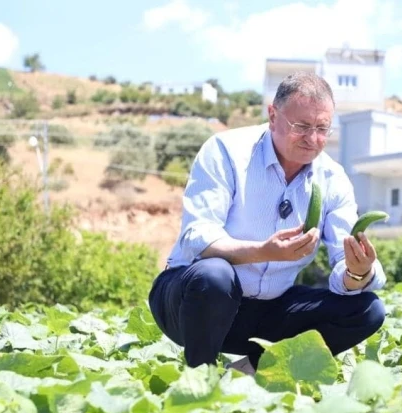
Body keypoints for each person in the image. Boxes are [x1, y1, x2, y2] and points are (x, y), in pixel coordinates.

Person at [148, 71, 387, 375]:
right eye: (301, 126)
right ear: (273, 115)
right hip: (190, 305)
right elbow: (198, 237)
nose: (312, 139)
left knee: (367, 310)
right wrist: (263, 251)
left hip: (264, 312)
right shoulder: (226, 150)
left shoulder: (333, 179)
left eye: (322, 128)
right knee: (215, 275)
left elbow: (343, 266)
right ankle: (200, 381)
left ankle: (247, 371)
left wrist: (358, 271)